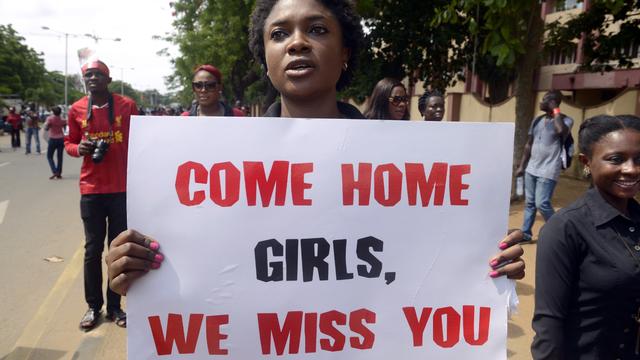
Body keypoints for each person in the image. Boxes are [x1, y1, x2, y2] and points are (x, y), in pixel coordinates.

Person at [106, 0, 525, 297]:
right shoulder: (216, 167)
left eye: (318, 29)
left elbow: (432, 262)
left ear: (345, 54)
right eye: (279, 34)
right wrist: (140, 277)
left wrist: (485, 262)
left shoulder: (404, 163)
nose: (298, 43)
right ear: (265, 57)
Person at [531, 115, 640, 359]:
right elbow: (549, 324)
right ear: (586, 162)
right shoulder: (565, 229)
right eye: (616, 159)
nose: (631, 169)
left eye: (639, 159)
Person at [64, 59, 138, 331]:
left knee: (116, 251)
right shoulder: (76, 109)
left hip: (121, 190)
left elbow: (140, 139)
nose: (92, 78)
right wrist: (78, 148)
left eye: (98, 75)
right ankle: (93, 306)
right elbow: (69, 143)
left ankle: (116, 306)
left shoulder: (127, 106)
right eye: (88, 75)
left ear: (108, 80)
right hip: (91, 190)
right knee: (93, 250)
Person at [515, 90, 574, 242]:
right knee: (529, 204)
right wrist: (522, 166)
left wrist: (555, 110)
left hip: (548, 169)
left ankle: (561, 231)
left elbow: (561, 131)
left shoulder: (566, 120)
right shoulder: (537, 120)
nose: (541, 103)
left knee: (542, 203)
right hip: (531, 168)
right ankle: (526, 234)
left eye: (545, 100)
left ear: (553, 102)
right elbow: (529, 144)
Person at [44, 106, 67, 179]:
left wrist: (49, 126)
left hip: (53, 139)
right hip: (61, 139)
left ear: (53, 112)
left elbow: (46, 128)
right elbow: (65, 127)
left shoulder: (50, 119)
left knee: (49, 156)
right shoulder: (63, 119)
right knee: (60, 157)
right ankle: (59, 172)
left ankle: (54, 171)